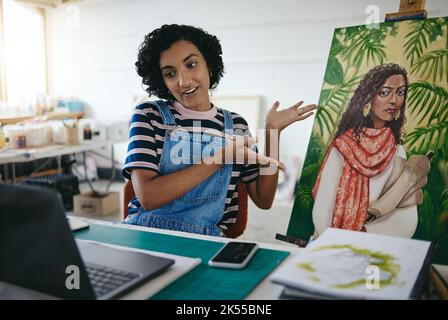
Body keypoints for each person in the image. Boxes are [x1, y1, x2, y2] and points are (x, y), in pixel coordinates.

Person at [122, 24, 316, 237]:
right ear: (162, 81)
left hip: (208, 240)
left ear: (209, 65)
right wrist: (221, 158)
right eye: (170, 73)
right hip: (148, 232)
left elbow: (264, 199)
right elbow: (148, 197)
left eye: (191, 64)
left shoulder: (236, 125)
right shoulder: (149, 115)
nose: (184, 81)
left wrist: (272, 132)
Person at [312, 63, 424, 238]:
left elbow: (406, 215)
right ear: (368, 97)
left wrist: (366, 234)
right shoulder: (343, 147)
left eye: (400, 92)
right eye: (384, 92)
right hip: (333, 243)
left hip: (376, 247)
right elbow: (323, 208)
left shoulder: (397, 151)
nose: (394, 100)